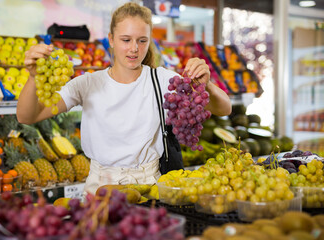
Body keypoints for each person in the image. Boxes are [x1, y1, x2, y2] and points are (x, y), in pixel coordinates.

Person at [17, 2, 232, 194]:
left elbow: (224, 109)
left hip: (150, 185)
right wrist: (33, 77)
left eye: (142, 40)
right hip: (100, 187)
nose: (134, 49)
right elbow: (27, 116)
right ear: (111, 39)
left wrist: (207, 85)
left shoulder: (163, 79)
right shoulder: (87, 84)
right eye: (126, 40)